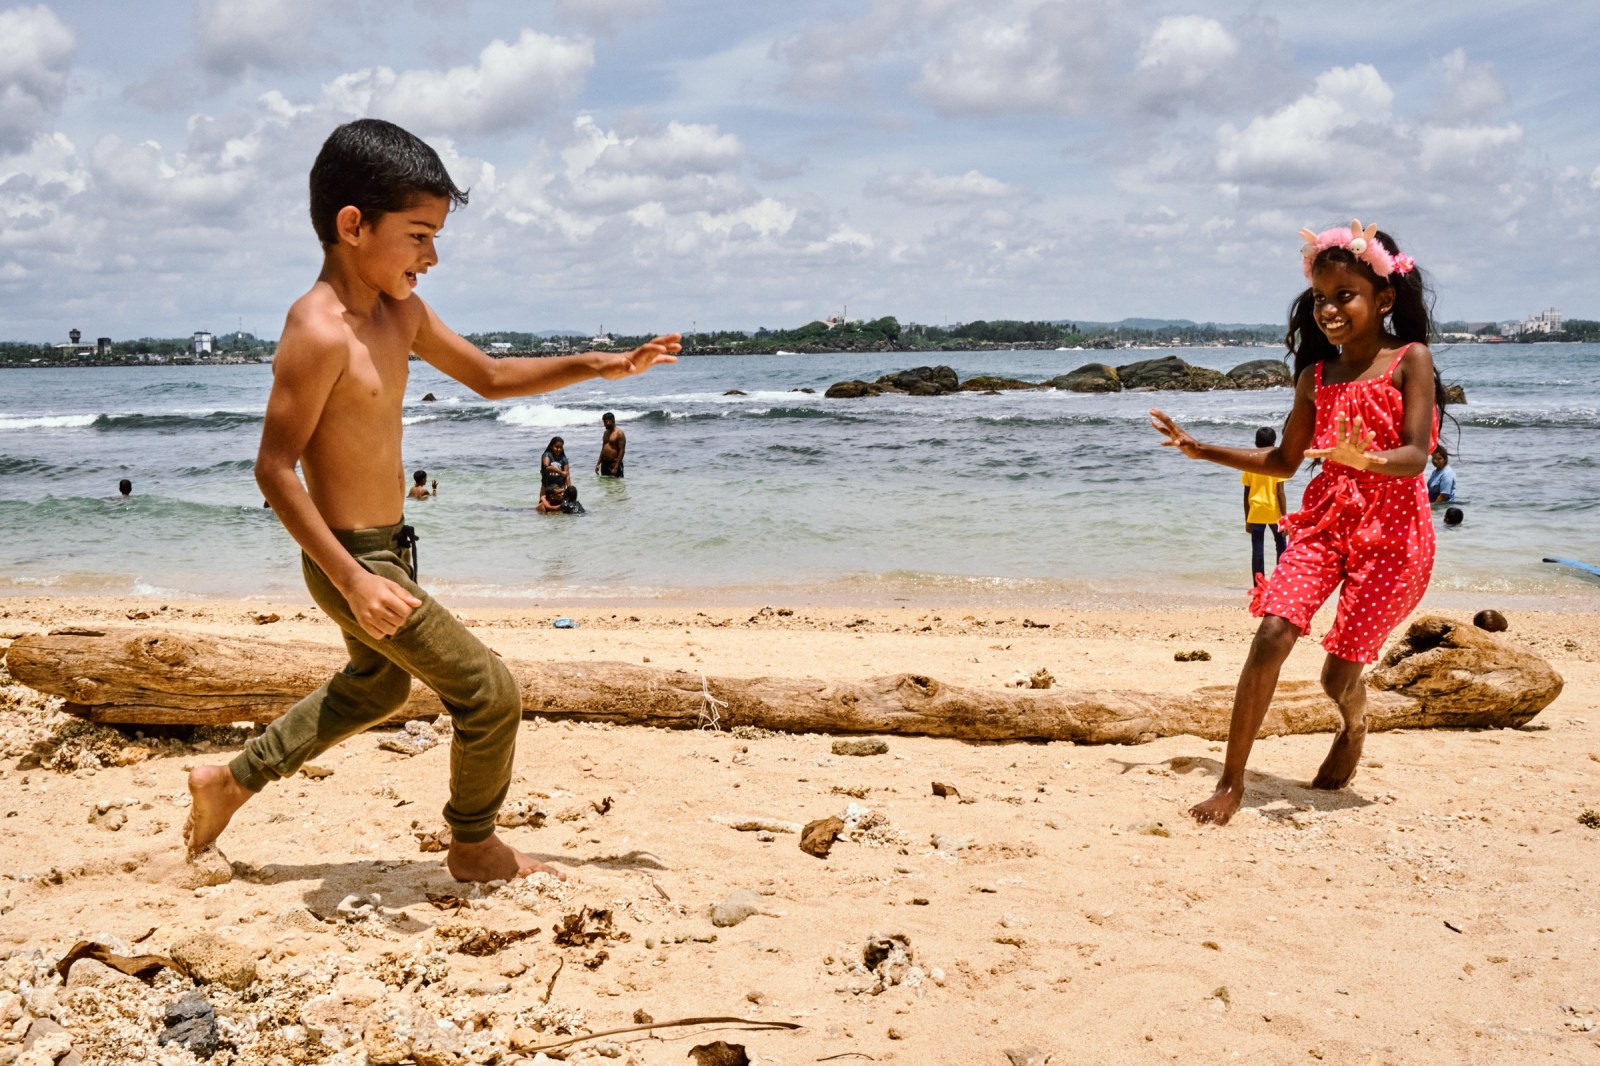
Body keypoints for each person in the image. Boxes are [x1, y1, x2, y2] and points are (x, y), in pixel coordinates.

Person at [183, 117, 680, 882]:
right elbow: (275, 469)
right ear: (354, 225)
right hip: (351, 557)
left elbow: (491, 377)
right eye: (418, 235)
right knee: (489, 692)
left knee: (376, 686)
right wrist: (353, 580)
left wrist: (604, 363)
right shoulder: (316, 331)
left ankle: (230, 780)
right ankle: (474, 843)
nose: (433, 256)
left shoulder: (401, 315)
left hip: (389, 547)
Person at [1151, 219, 1443, 826]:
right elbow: (1284, 462)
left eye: (1344, 295)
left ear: (1383, 300)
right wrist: (1201, 448)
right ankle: (1231, 783)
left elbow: (1417, 454)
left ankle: (1354, 724)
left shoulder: (1410, 360)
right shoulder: (1316, 377)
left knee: (1339, 677)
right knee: (1272, 635)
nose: (1329, 309)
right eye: (1319, 298)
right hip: (1325, 524)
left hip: (1393, 538)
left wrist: (1369, 459)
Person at [1241, 427, 1288, 584]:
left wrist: (1247, 518)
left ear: (1256, 443)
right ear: (1274, 444)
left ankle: (1258, 584)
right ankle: (1280, 581)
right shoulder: (1277, 464)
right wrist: (1285, 517)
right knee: (1281, 546)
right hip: (1274, 512)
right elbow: (1280, 493)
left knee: (1257, 550)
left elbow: (1246, 494)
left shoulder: (1249, 463)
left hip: (1256, 511)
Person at [595, 411, 625, 477]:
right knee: (606, 486)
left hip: (614, 464)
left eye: (606, 422)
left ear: (612, 420)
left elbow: (622, 451)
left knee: (617, 486)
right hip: (604, 464)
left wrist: (616, 467)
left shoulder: (619, 433)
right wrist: (598, 463)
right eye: (604, 422)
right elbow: (603, 449)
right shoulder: (605, 433)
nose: (604, 424)